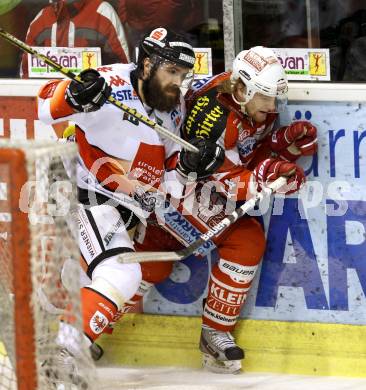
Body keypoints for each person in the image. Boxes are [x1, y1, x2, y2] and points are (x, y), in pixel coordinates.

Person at [36, 26, 224, 385]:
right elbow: (45, 107)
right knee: (123, 272)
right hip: (82, 192)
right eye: (172, 72)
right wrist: (74, 96)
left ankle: (58, 344)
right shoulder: (111, 83)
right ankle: (60, 354)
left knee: (85, 284)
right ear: (148, 64)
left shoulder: (172, 107)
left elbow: (165, 175)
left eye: (183, 76)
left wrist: (188, 166)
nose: (177, 83)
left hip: (123, 207)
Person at [114, 46, 317, 374]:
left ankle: (85, 322)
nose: (272, 105)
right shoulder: (213, 117)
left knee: (151, 261)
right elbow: (231, 183)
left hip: (186, 185)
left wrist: (283, 146)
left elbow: (247, 154)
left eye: (275, 97)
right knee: (243, 241)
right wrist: (272, 174)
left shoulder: (246, 101)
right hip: (175, 185)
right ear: (241, 89)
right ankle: (212, 332)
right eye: (265, 96)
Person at [20, 0, 130, 78]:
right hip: (50, 103)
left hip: (94, 103)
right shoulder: (41, 19)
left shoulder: (102, 12)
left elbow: (123, 70)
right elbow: (26, 73)